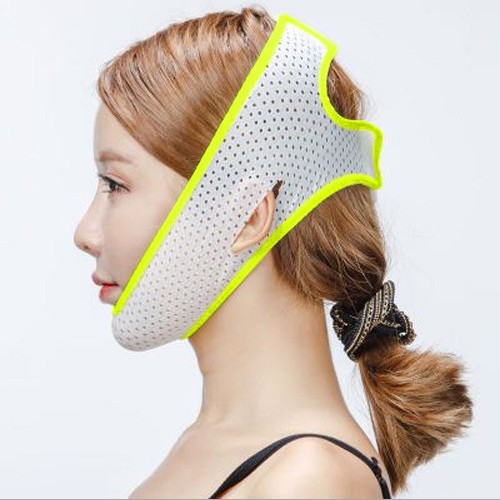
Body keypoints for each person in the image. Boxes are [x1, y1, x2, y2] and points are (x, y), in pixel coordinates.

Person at [73, 5, 474, 499]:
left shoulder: (310, 479)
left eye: (115, 185)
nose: (85, 233)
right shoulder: (214, 445)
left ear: (247, 216)